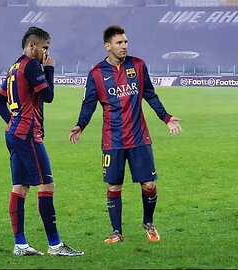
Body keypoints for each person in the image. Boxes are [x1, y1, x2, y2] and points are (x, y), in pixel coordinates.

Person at [69, 25, 182, 244]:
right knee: (114, 186)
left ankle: (148, 223)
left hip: (139, 137)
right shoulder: (96, 74)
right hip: (113, 140)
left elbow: (150, 94)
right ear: (108, 46)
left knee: (148, 185)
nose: (124, 46)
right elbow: (89, 104)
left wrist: (166, 118)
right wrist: (80, 125)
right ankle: (116, 232)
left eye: (126, 42)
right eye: (119, 43)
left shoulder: (137, 66)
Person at [0, 26, 83, 257]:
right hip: (28, 135)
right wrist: (50, 69)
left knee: (21, 186)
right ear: (32, 45)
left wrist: (12, 122)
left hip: (14, 134)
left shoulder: (14, 68)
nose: (46, 53)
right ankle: (55, 245)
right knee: (46, 185)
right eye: (44, 47)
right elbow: (49, 96)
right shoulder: (32, 65)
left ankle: (20, 245)